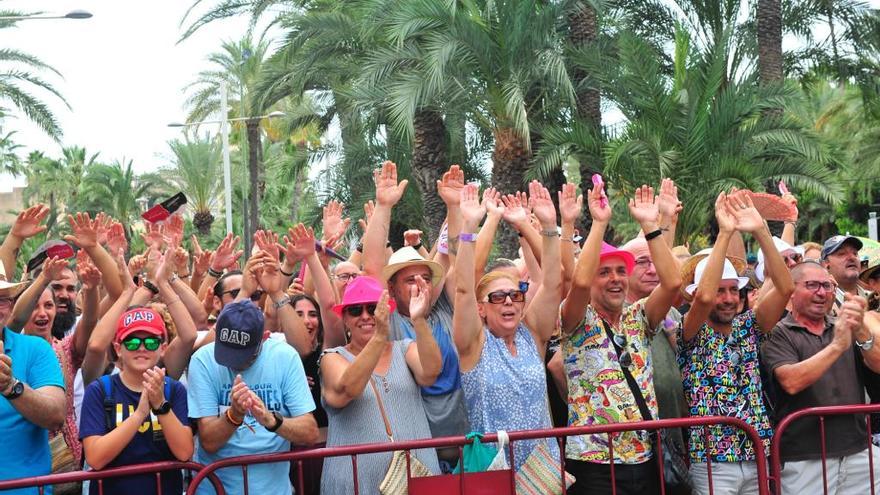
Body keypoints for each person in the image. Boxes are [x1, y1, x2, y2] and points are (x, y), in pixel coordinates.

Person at [559, 184, 682, 495]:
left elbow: (672, 282)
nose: (615, 279)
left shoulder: (639, 315)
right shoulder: (577, 319)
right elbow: (580, 280)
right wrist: (599, 223)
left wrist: (650, 226)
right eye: (605, 272)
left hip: (646, 456)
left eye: (620, 271)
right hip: (594, 462)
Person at [678, 191, 794, 495]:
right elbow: (702, 298)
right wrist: (725, 232)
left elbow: (785, 287)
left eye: (734, 290)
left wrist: (760, 230)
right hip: (713, 459)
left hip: (757, 451)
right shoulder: (689, 332)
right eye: (721, 290)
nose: (728, 298)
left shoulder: (748, 326)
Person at [362, 162, 469, 464]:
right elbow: (371, 271)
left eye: (425, 277)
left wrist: (454, 207)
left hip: (464, 445)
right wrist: (384, 206)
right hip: (417, 452)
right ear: (392, 290)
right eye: (409, 280)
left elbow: (461, 262)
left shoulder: (446, 308)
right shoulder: (389, 320)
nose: (420, 284)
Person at [188, 255, 318, 495]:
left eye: (244, 355)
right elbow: (208, 440)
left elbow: (310, 431)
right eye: (228, 352)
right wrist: (234, 415)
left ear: (265, 337)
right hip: (214, 490)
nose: (235, 363)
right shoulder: (203, 360)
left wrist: (271, 420)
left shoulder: (284, 356)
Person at [453, 181, 561, 468]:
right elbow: (463, 289)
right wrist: (469, 226)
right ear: (482, 309)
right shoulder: (474, 344)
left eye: (515, 295)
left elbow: (552, 282)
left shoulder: (532, 334)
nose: (509, 302)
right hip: (495, 469)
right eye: (498, 297)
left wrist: (546, 225)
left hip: (541, 472)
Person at [762, 261, 880, 493]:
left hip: (859, 452)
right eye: (812, 285)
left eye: (827, 285)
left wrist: (861, 330)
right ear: (791, 293)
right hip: (805, 458)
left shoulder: (844, 325)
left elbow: (878, 366)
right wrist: (837, 346)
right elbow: (791, 382)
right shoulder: (778, 333)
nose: (822, 292)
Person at [320, 276, 442, 493]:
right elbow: (350, 388)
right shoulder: (332, 358)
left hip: (416, 480)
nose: (366, 316)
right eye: (356, 310)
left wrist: (419, 320)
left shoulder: (404, 349)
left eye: (373, 308)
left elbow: (431, 373)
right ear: (345, 318)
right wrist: (379, 336)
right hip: (357, 486)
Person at [79, 306, 193, 495]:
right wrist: (140, 414)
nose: (141, 348)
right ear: (118, 348)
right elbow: (95, 458)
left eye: (150, 342)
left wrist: (160, 405)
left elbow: (184, 452)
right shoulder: (99, 390)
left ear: (163, 348)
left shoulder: (174, 390)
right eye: (131, 342)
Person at [0, 272, 66, 493]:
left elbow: (56, 415)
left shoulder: (35, 349)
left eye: (1, 299)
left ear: (9, 306)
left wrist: (11, 387)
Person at [822, 235, 868, 313]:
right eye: (842, 253)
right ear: (826, 264)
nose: (852, 257)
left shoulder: (874, 297)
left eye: (855, 253)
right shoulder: (821, 301)